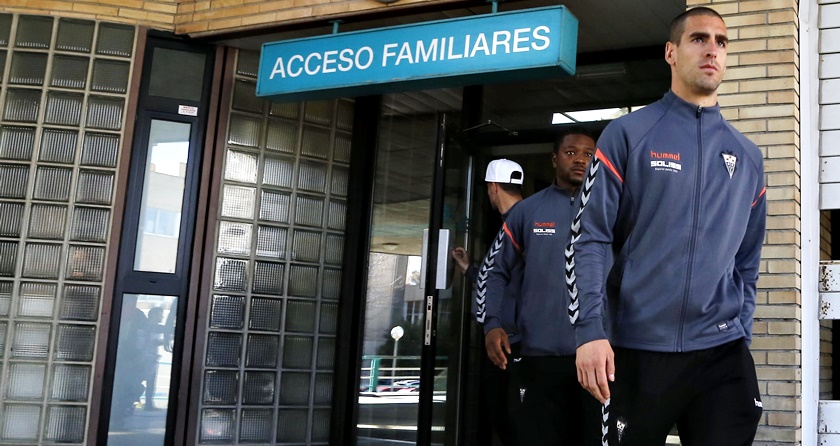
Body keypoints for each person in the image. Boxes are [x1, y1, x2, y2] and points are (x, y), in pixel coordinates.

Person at [566, 7, 766, 445]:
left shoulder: (748, 157)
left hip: (721, 351)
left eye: (721, 41)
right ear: (671, 52)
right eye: (699, 39)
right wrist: (591, 331)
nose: (712, 49)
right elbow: (588, 237)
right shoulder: (628, 134)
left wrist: (742, 328)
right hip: (637, 349)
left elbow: (747, 261)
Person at [484, 129, 602, 446]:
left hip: (596, 356)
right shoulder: (528, 211)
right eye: (570, 152)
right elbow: (495, 272)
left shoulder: (610, 210)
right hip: (540, 356)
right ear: (554, 159)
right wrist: (492, 324)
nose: (580, 159)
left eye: (588, 154)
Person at [451, 158, 524, 446]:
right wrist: (469, 269)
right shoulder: (512, 223)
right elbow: (500, 275)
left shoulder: (522, 222)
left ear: (493, 188)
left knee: (511, 417)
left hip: (515, 340)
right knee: (502, 413)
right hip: (506, 337)